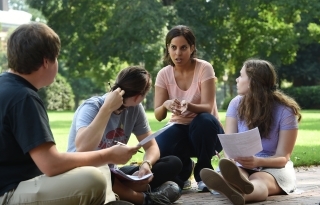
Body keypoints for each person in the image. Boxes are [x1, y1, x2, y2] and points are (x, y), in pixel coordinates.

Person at [0, 22, 141, 205]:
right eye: (56, 57)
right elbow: (50, 164)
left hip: (16, 182)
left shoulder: (6, 85)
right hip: (8, 192)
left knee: (98, 169)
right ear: (46, 61)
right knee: (93, 179)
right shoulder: (23, 97)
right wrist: (109, 154)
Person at [67, 66, 183, 205]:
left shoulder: (134, 109)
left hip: (113, 174)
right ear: (138, 97)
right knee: (100, 172)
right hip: (86, 173)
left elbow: (152, 147)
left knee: (173, 163)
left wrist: (146, 166)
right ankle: (144, 199)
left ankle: (124, 191)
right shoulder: (92, 107)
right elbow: (83, 149)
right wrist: (107, 109)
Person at [200, 59, 302, 205]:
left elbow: (282, 158)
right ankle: (234, 184)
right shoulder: (236, 104)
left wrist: (257, 161)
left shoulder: (285, 111)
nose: (237, 79)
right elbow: (230, 143)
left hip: (273, 167)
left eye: (241, 76)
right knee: (236, 174)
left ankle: (238, 193)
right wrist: (230, 158)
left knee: (259, 181)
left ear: (252, 82)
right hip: (241, 164)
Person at [153, 25, 225, 192]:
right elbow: (158, 115)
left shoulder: (204, 68)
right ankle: (183, 172)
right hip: (179, 128)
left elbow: (207, 107)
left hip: (208, 134)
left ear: (192, 48)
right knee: (158, 143)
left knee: (204, 120)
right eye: (174, 47)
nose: (178, 53)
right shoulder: (164, 74)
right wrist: (166, 104)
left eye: (183, 48)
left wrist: (189, 105)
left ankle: (203, 173)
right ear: (168, 48)